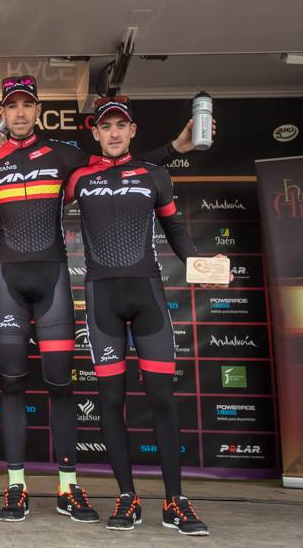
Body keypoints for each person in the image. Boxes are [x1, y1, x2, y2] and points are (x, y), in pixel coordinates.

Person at [0, 79, 209, 522]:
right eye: (12, 106)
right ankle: (16, 487)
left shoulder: (67, 158)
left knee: (62, 385)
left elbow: (127, 165)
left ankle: (69, 487)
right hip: (9, 281)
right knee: (12, 384)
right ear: (3, 113)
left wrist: (176, 148)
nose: (19, 113)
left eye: (26, 105)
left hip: (55, 281)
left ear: (37, 110)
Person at [64, 96, 225, 536]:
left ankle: (175, 501)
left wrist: (199, 265)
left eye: (121, 125)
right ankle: (126, 496)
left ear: (132, 130)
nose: (114, 132)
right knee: (110, 401)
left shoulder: (155, 175)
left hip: (148, 297)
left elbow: (175, 229)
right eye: (106, 126)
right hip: (102, 300)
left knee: (161, 399)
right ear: (95, 133)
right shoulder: (79, 177)